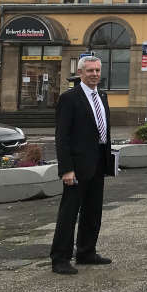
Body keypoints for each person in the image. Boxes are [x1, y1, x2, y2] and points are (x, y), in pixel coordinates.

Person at [50, 56, 116, 275]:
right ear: (80, 73)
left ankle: (86, 251)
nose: (95, 74)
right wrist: (66, 169)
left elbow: (103, 130)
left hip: (98, 161)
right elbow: (62, 136)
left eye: (97, 70)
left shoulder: (102, 96)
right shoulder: (70, 98)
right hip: (77, 165)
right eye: (90, 71)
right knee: (69, 212)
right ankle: (60, 258)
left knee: (93, 210)